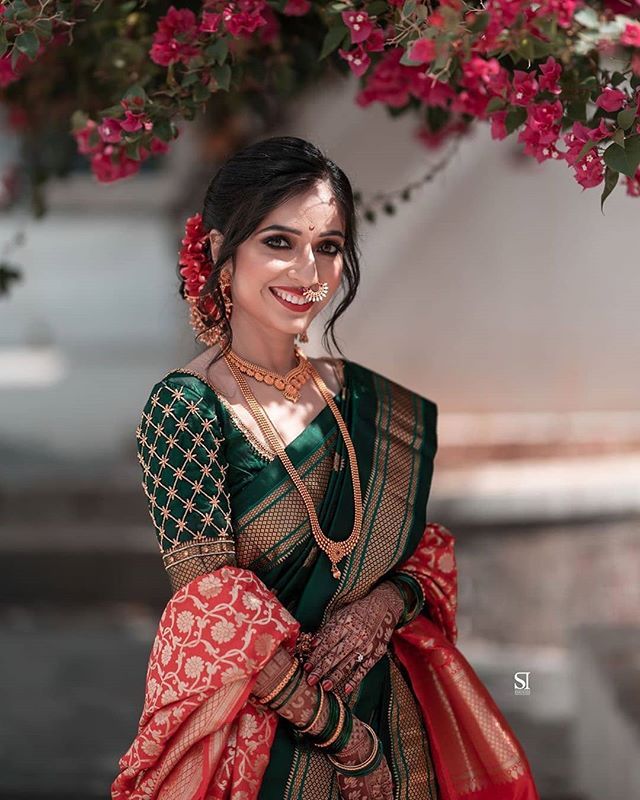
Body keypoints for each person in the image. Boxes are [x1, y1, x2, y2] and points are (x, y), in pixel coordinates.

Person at [111, 136, 540, 800]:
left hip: (391, 721)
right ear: (221, 252)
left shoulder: (371, 403)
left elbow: (423, 556)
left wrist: (382, 606)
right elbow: (214, 613)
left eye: (329, 246)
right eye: (279, 242)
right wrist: (346, 742)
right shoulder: (187, 407)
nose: (308, 270)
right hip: (261, 745)